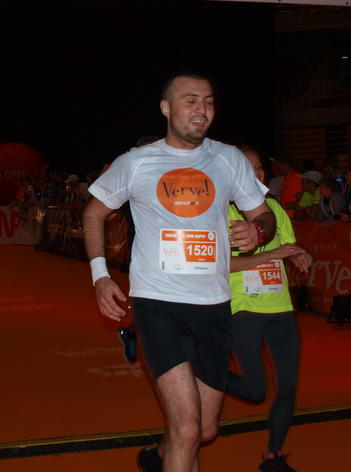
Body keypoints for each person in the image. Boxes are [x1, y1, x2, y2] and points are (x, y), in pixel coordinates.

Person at [82, 71, 275, 472]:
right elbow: (94, 212)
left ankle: (158, 457)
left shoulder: (228, 159)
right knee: (187, 430)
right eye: (190, 101)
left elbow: (264, 215)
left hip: (214, 307)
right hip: (158, 305)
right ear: (166, 108)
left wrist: (258, 232)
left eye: (208, 102)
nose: (201, 110)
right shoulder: (137, 162)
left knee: (203, 431)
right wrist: (101, 275)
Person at [228, 145, 312, 472]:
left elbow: (288, 246)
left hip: (281, 310)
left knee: (288, 387)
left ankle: (273, 456)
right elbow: (221, 265)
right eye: (248, 167)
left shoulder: (273, 208)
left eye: (260, 167)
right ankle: (201, 369)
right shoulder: (221, 213)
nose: (258, 173)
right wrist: (273, 254)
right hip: (244, 311)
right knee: (254, 391)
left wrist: (298, 254)